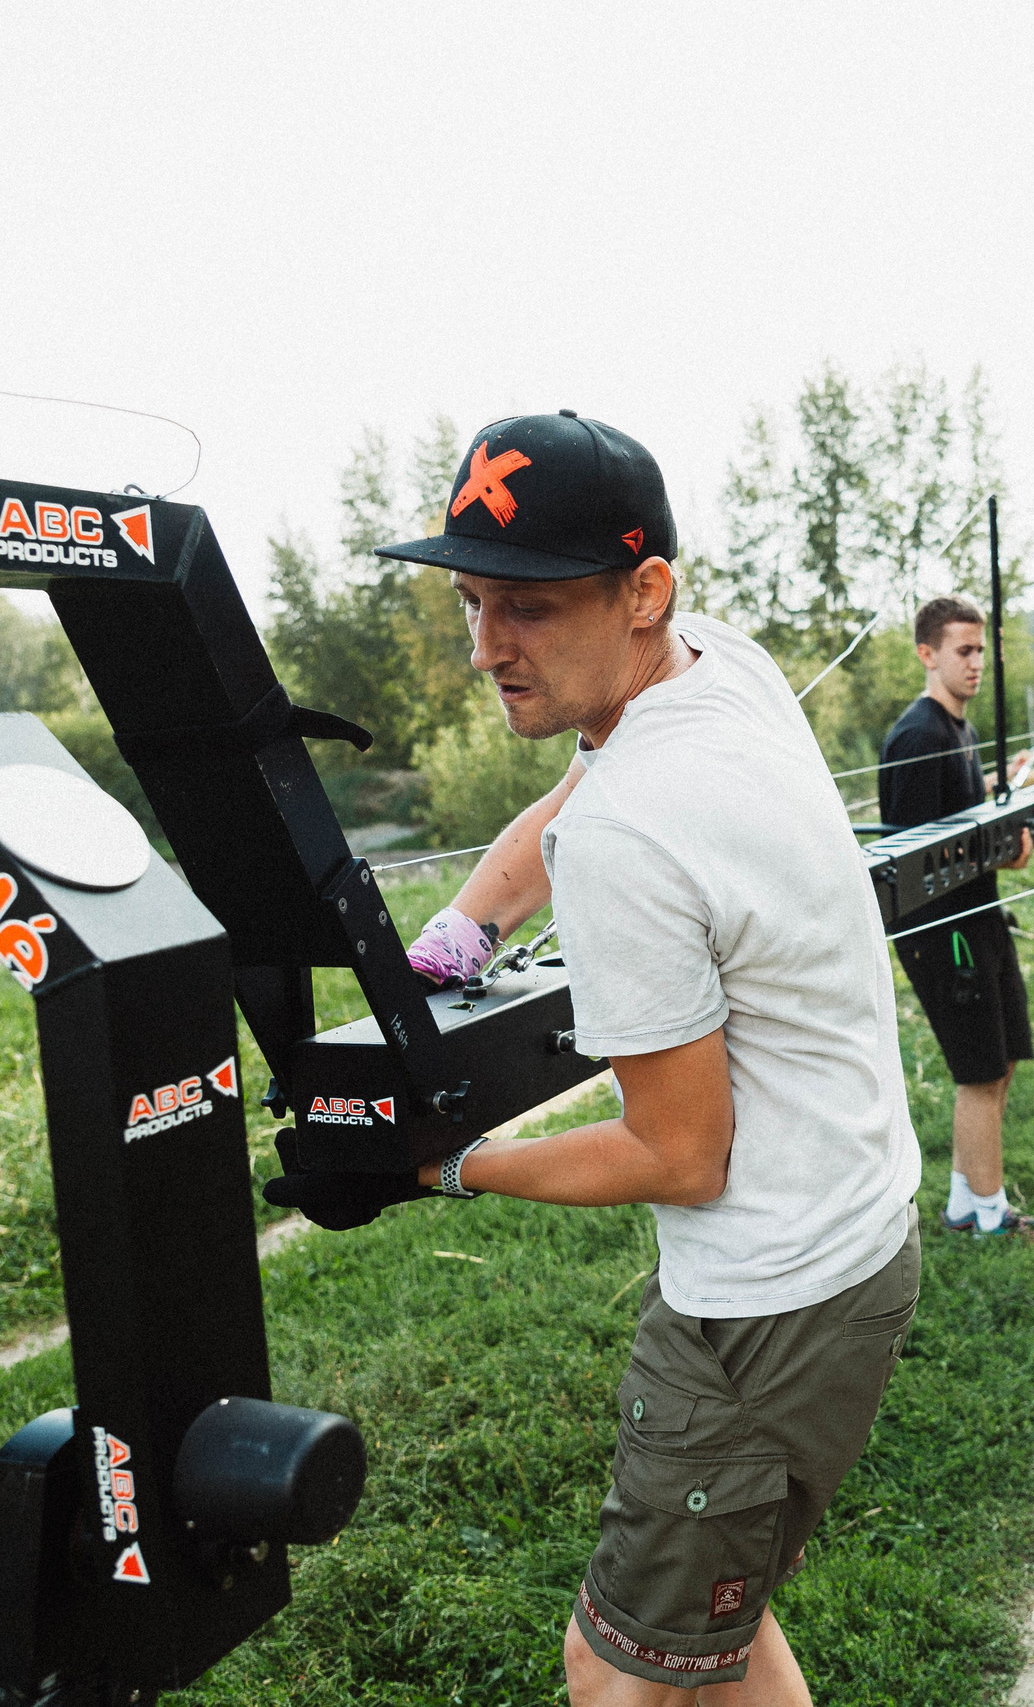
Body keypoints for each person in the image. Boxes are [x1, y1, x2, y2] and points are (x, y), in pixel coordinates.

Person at [271, 413, 923, 1704]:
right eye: (471, 601)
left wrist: (444, 1167)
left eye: (527, 605)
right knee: (714, 1633)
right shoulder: (713, 669)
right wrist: (472, 918)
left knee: (611, 1666)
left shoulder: (634, 834)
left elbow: (679, 1150)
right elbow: (578, 790)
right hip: (854, 1229)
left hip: (766, 1294)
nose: (483, 645)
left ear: (644, 592)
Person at [878, 595, 1034, 1240]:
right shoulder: (918, 735)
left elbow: (959, 820)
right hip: (944, 934)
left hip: (980, 919)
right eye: (963, 652)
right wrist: (1009, 847)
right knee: (979, 1071)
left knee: (1000, 1063)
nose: (976, 665)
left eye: (981, 652)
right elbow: (919, 861)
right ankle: (992, 1215)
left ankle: (963, 1204)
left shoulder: (958, 730)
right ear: (927, 654)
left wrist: (1009, 803)